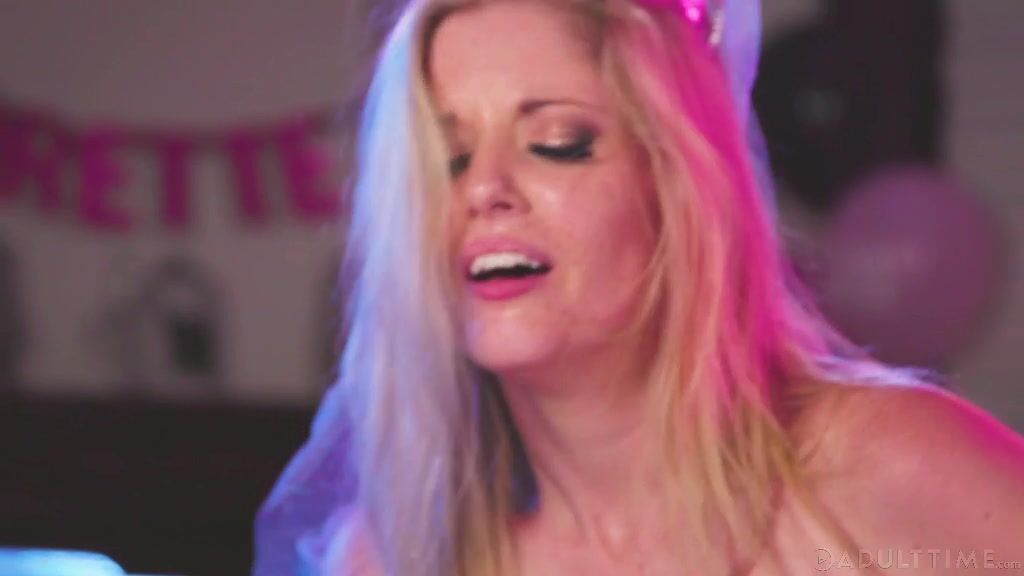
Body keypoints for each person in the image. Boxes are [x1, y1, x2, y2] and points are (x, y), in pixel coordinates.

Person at [254, 0, 1024, 574]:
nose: (483, 189)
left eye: (556, 143)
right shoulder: (395, 562)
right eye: (446, 161)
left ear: (676, 185)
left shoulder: (887, 470)